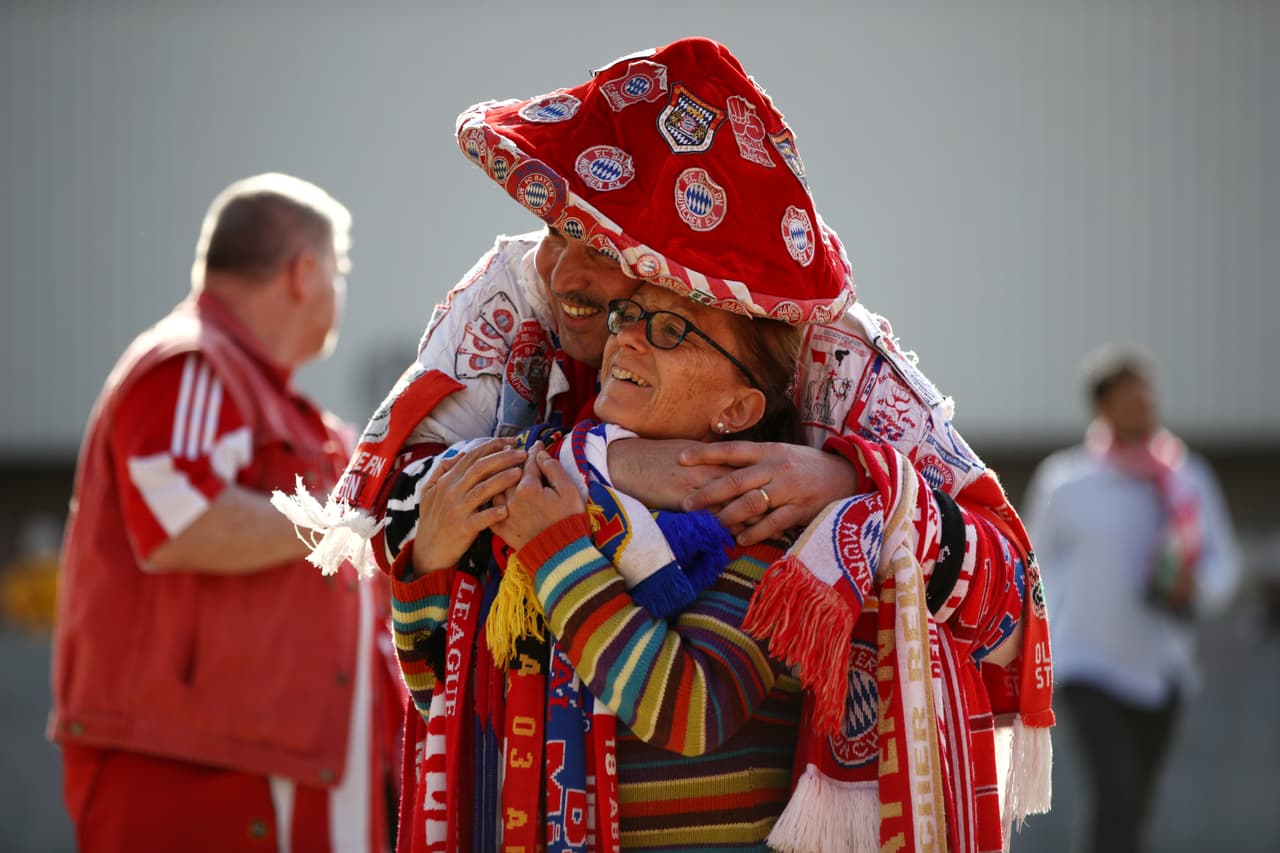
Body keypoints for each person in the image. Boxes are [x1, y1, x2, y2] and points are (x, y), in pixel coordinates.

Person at [281, 37, 1053, 852]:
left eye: (610, 248)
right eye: (555, 227)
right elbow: (428, 626)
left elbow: (1005, 592)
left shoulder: (804, 415)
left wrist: (844, 480)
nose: (566, 271)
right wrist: (591, 470)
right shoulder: (517, 303)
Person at [49, 173, 399, 853]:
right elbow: (182, 516)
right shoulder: (191, 365)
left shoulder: (277, 402)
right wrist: (347, 526)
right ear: (304, 273)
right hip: (208, 776)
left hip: (284, 768)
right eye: (340, 266)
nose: (340, 287)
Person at [1024, 344, 1241, 853]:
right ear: (1101, 407)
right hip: (1087, 664)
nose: (1141, 408)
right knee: (1115, 792)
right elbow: (1031, 566)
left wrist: (1199, 587)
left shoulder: (1186, 478)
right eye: (1127, 399)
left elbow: (1223, 564)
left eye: (1146, 398)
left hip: (1161, 667)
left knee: (1136, 803)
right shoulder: (1066, 481)